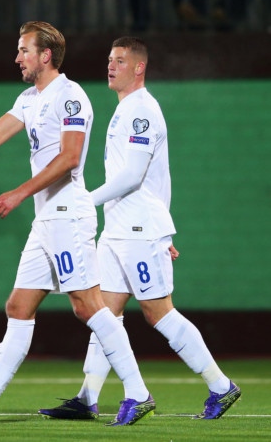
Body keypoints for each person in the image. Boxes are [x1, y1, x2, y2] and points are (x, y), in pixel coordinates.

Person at [0, 21, 154, 427]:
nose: (18, 58)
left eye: (24, 50)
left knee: (88, 305)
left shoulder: (70, 97)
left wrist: (18, 193)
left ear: (45, 55)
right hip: (47, 220)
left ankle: (138, 392)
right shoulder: (29, 98)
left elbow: (70, 157)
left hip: (68, 217)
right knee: (19, 305)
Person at [38, 36, 241, 421]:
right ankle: (87, 398)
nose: (110, 66)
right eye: (110, 59)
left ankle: (220, 386)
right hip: (118, 230)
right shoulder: (125, 108)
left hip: (138, 229)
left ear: (139, 67)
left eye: (119, 60)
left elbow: (133, 176)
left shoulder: (142, 111)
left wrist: (86, 200)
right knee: (102, 313)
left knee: (158, 312)